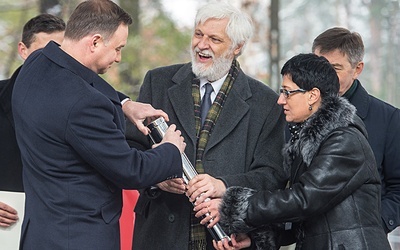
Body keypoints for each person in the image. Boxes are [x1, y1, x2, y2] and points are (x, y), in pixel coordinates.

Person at [11, 0, 186, 249]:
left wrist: (125, 104)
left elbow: (81, 77)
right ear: (94, 42)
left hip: (39, 232)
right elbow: (130, 170)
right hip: (79, 238)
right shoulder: (84, 104)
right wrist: (170, 150)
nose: (118, 57)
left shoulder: (36, 62)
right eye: (117, 48)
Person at [125, 2, 287, 249]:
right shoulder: (156, 81)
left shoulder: (266, 102)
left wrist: (222, 185)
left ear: (237, 47)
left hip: (225, 238)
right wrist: (155, 176)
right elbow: (128, 150)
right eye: (198, 34)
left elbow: (272, 176)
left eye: (214, 39)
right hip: (159, 236)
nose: (202, 45)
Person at [215, 53, 391, 250]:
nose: (280, 100)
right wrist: (259, 237)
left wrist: (235, 205)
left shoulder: (344, 140)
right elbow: (307, 219)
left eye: (287, 92)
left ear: (312, 95)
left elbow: (305, 199)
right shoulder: (311, 140)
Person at [312, 27, 400, 234]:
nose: (325, 76)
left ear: (357, 68)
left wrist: (373, 225)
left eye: (335, 68)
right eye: (319, 66)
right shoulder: (295, 114)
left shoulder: (389, 119)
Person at [0, 13, 65, 228]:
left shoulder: (82, 105)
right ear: (22, 50)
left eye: (61, 53)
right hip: (6, 228)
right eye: (44, 52)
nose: (54, 60)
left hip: (58, 227)